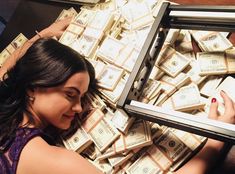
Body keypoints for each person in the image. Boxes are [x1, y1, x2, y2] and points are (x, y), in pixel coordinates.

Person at [0, 18, 234, 174]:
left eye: (81, 98)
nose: (79, 108)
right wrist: (214, 142)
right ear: (33, 86)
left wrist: (45, 35)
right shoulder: (50, 159)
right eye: (70, 94)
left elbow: (7, 68)